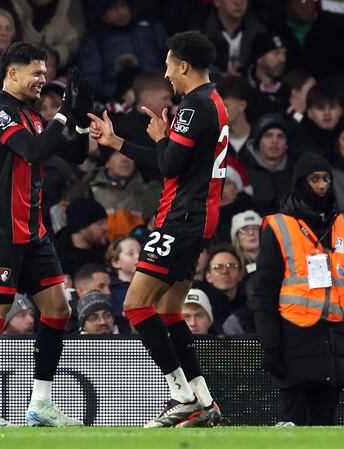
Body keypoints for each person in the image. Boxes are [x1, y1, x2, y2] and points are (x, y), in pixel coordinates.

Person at [88, 30, 224, 428]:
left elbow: (167, 165)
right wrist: (119, 143)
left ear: (183, 65)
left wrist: (163, 138)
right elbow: (174, 160)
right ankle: (204, 400)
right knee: (167, 310)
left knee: (134, 305)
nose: (166, 74)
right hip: (199, 217)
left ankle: (180, 396)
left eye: (168, 65)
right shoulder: (213, 101)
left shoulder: (194, 106)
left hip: (179, 217)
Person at [0, 42, 93, 427]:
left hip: (34, 233)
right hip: (1, 233)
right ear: (12, 73)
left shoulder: (31, 114)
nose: (43, 79)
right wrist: (61, 114)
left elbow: (75, 156)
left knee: (58, 311)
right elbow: (35, 152)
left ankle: (40, 404)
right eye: (36, 73)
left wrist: (81, 119)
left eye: (45, 72)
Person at [250, 151, 344, 425]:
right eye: (314, 179)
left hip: (337, 338)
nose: (321, 185)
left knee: (326, 428)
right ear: (300, 182)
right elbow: (264, 295)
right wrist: (270, 347)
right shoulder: (279, 226)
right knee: (291, 425)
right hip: (294, 340)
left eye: (326, 179)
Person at [55, 198, 109, 277]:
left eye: (105, 222)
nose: (106, 227)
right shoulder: (57, 261)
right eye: (100, 223)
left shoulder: (107, 251)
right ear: (81, 228)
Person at [105, 236, 140, 317]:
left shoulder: (151, 284)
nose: (138, 256)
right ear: (116, 262)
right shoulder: (111, 291)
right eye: (131, 253)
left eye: (141, 252)